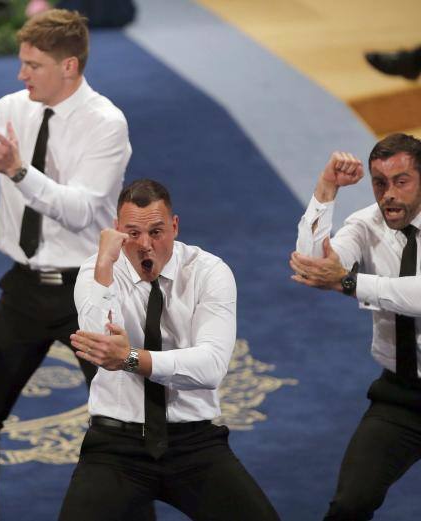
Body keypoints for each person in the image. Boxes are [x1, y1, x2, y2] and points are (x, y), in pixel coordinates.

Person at [0, 8, 132, 520]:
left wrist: (18, 171)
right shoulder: (12, 108)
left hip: (89, 292)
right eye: (22, 63)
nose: (21, 74)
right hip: (23, 290)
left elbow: (82, 210)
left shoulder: (105, 123)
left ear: (70, 67)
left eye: (32, 65)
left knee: (121, 427)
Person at [58, 179, 280, 521]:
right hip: (116, 446)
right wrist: (104, 263)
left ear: (175, 227)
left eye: (157, 232)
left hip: (194, 443)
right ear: (117, 231)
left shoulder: (209, 272)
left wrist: (132, 358)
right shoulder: (99, 268)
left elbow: (211, 367)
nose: (145, 245)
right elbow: (97, 343)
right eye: (132, 233)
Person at [291, 133, 421, 520]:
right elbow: (310, 265)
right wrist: (326, 190)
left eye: (401, 181)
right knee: (349, 504)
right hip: (401, 394)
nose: (389, 195)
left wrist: (350, 282)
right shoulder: (366, 224)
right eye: (380, 183)